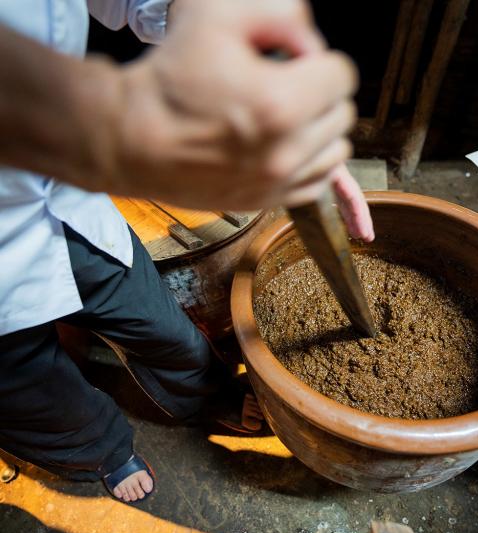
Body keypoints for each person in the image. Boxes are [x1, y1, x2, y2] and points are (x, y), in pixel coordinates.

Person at [0, 0, 374, 504]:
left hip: (62, 187)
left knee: (158, 323)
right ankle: (98, 448)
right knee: (29, 383)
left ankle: (204, 395)